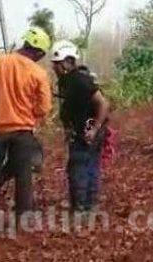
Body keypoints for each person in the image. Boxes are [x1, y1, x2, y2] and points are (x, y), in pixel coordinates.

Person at [0, 27, 52, 231]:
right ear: (39, 53)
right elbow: (44, 108)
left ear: (25, 43)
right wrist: (29, 110)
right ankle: (23, 222)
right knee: (23, 176)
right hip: (23, 131)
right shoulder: (38, 72)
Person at [50, 40, 110, 213]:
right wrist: (68, 127)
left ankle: (81, 207)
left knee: (79, 167)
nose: (55, 68)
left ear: (68, 62)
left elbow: (103, 104)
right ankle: (88, 204)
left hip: (89, 131)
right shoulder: (66, 82)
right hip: (82, 130)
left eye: (57, 64)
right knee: (89, 165)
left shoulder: (81, 81)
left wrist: (94, 129)